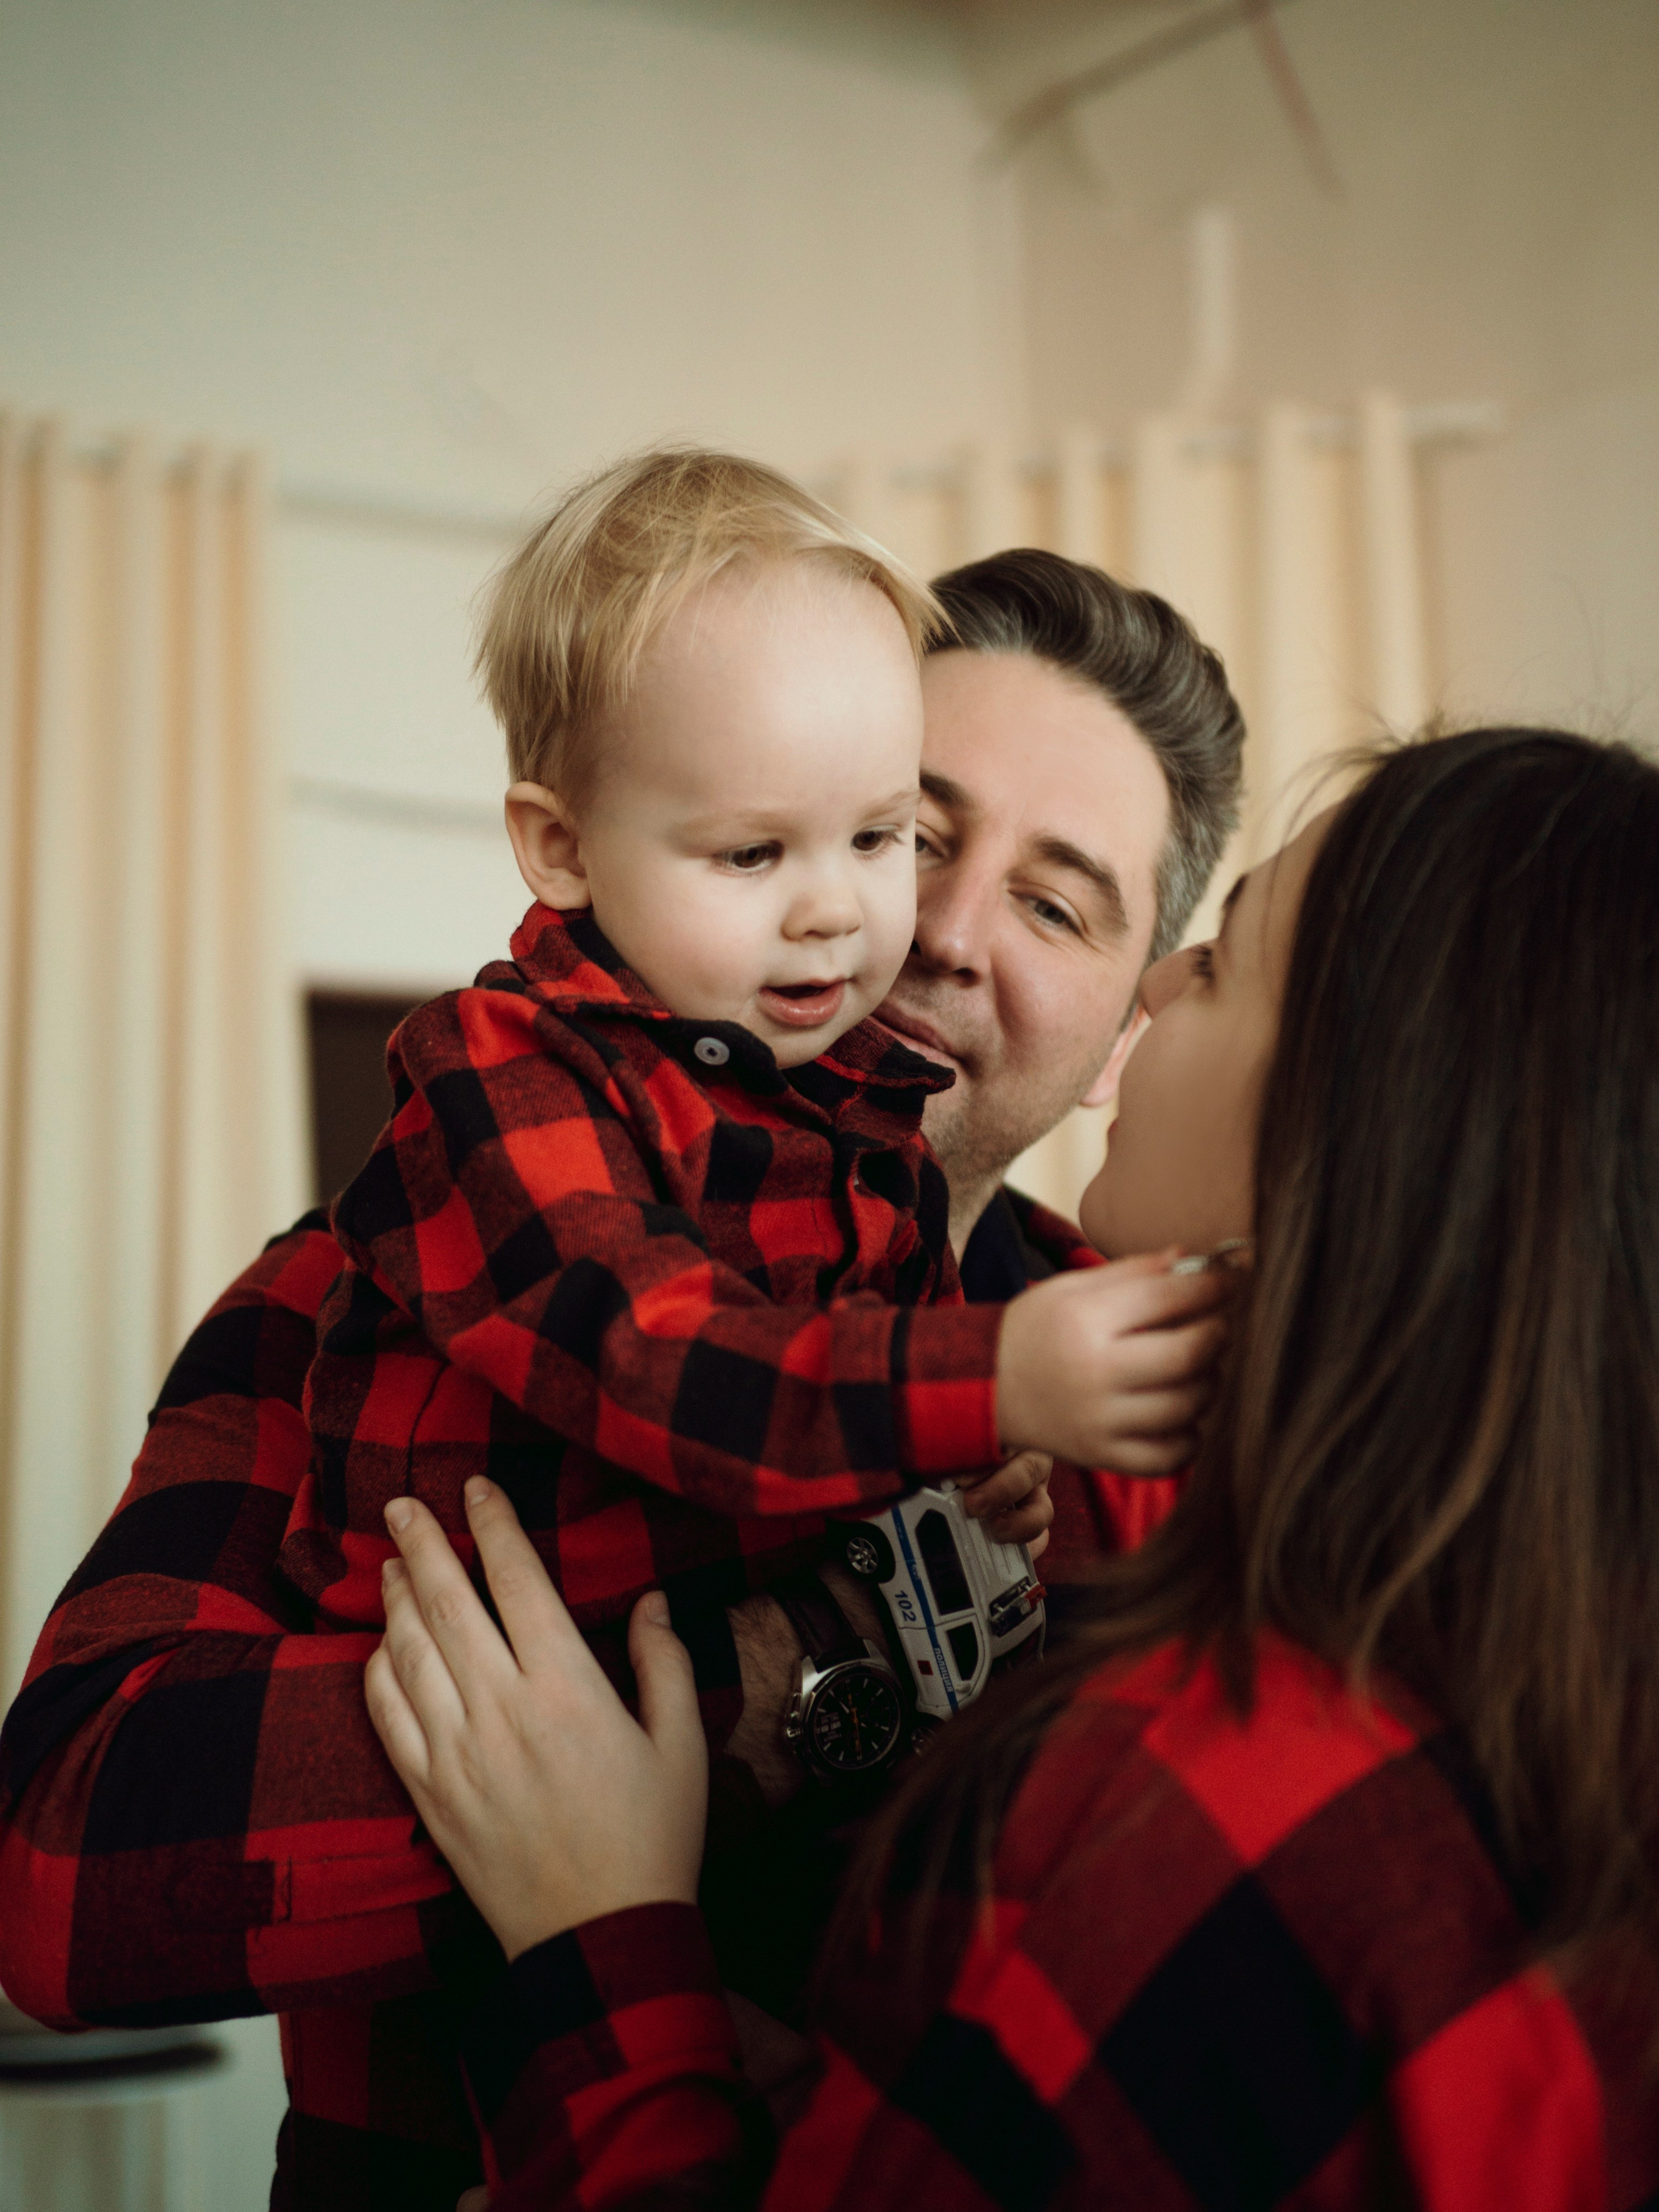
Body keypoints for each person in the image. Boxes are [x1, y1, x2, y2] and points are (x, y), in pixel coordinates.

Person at [0, 542, 1244, 2209]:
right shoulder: (378, 1272)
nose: (924, 927)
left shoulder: (1167, 1403)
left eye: (1049, 900)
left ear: (1116, 1040)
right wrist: (818, 1672)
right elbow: (65, 1875)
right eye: (904, 831)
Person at [368, 725, 1659, 2209]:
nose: (937, 932)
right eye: (901, 840)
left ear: (1369, 1131)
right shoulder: (413, 1252)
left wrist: (604, 1950)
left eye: (1199, 957)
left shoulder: (1201, 1772)